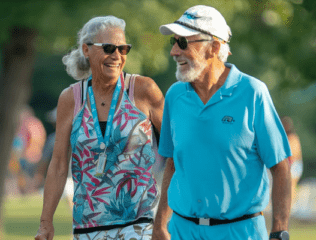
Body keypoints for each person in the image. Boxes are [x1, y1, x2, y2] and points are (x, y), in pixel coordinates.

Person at [152, 5, 292, 240]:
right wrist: (159, 226)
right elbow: (172, 163)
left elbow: (280, 167)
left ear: (214, 47)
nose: (174, 52)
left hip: (240, 232)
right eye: (174, 43)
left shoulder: (253, 93)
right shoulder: (175, 96)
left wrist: (279, 231)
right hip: (181, 231)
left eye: (184, 43)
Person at [35, 15, 164, 240]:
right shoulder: (71, 99)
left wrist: (165, 217)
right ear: (86, 50)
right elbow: (57, 165)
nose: (116, 56)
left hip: (140, 224)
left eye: (123, 49)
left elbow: (177, 150)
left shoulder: (143, 90)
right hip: (87, 227)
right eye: (108, 48)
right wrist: (46, 222)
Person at [281, 116, 303, 206]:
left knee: (291, 186)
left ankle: (290, 205)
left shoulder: (293, 138)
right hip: (288, 164)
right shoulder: (284, 138)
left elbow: (293, 154)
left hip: (294, 164)